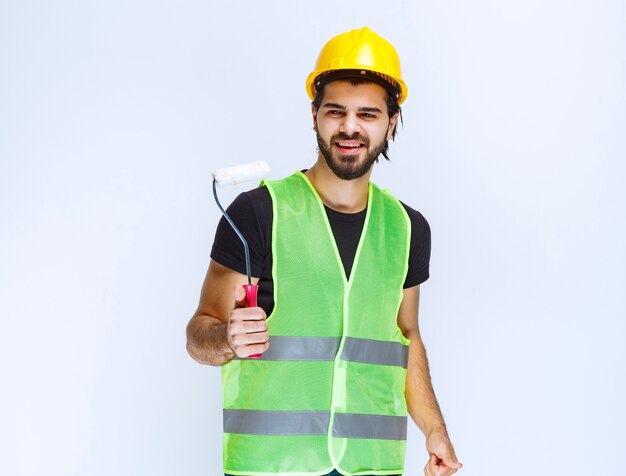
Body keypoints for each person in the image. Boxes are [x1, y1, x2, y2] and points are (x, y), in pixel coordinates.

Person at [186, 26, 462, 476]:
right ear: (314, 115)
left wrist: (434, 429)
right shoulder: (259, 212)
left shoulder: (408, 229)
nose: (350, 127)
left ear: (391, 122)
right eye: (336, 111)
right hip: (270, 468)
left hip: (371, 467)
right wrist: (226, 340)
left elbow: (405, 338)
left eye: (368, 114)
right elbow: (200, 333)